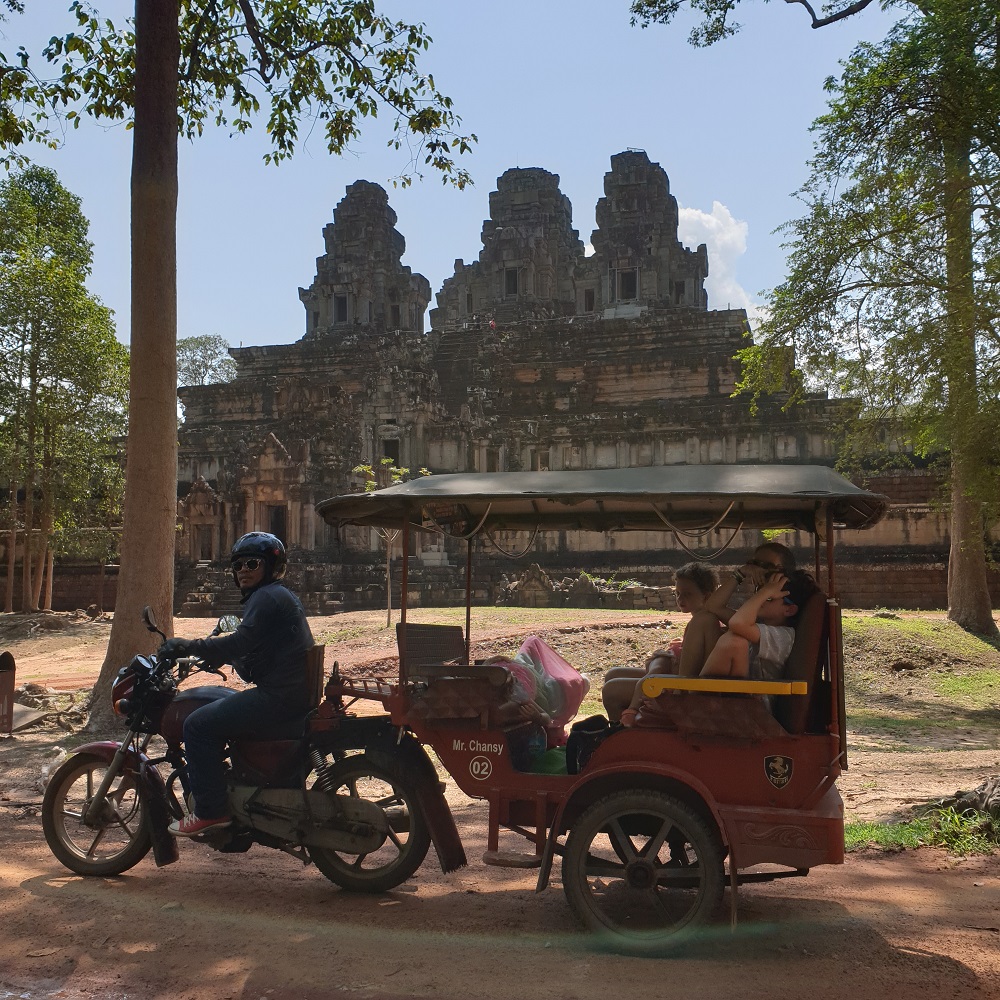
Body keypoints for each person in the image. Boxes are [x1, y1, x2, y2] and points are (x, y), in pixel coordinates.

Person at [158, 532, 315, 837]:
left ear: (271, 566)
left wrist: (186, 645)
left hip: (278, 697)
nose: (243, 570)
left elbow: (241, 641)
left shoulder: (266, 597)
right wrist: (227, 657)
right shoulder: (278, 595)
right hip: (291, 692)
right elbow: (257, 645)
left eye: (252, 563)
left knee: (197, 725)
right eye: (238, 564)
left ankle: (210, 811)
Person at [601, 562, 718, 724]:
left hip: (686, 688)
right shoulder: (699, 619)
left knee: (611, 690)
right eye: (678, 594)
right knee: (613, 674)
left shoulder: (704, 621)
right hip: (678, 677)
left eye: (688, 594)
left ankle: (623, 731)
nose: (680, 599)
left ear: (706, 596)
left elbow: (696, 672)